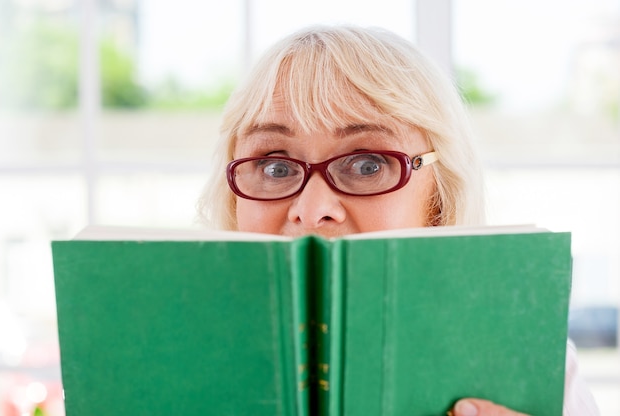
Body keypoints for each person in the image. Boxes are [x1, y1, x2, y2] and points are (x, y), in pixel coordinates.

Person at [198, 24, 599, 416]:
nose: (312, 207)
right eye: (274, 167)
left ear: (437, 203)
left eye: (368, 164)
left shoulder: (532, 365)